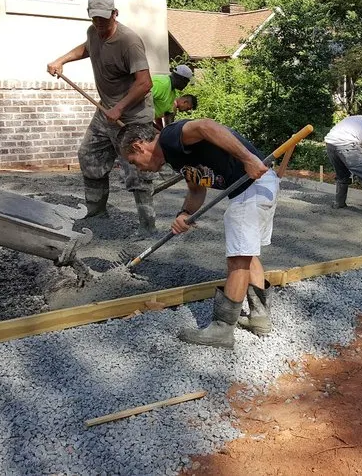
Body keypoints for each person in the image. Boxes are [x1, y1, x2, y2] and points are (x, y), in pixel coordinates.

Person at [117, 119, 279, 349]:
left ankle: (222, 329)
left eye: (133, 161)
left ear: (138, 146)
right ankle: (259, 317)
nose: (138, 168)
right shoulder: (176, 157)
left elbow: (205, 126)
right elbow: (196, 188)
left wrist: (248, 159)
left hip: (252, 185)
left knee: (238, 259)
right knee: (247, 254)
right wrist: (185, 213)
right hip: (254, 188)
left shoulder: (169, 137)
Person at [47, 0, 157, 235]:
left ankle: (147, 228)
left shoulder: (129, 41)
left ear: (114, 14)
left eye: (104, 20)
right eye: (95, 19)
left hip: (132, 118)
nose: (99, 24)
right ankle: (97, 214)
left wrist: (119, 107)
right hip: (104, 111)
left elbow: (145, 82)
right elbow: (88, 48)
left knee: (137, 170)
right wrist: (61, 60)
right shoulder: (92, 32)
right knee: (89, 155)